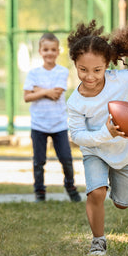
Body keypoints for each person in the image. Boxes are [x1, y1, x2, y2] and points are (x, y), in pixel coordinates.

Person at [67, 20, 128, 256]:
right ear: (75, 65)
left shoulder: (119, 79)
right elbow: (78, 136)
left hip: (122, 153)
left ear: (107, 65)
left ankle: (114, 188)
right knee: (96, 192)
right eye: (82, 69)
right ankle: (98, 240)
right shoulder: (75, 102)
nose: (90, 76)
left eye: (97, 70)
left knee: (122, 203)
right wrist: (105, 133)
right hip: (95, 151)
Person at [23, 32, 81, 203]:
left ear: (58, 51)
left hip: (59, 125)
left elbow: (56, 93)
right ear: (40, 51)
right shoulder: (33, 73)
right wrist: (45, 91)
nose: (49, 53)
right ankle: (39, 193)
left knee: (66, 159)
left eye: (53, 49)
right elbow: (27, 96)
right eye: (46, 49)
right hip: (38, 124)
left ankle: (70, 187)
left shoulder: (62, 71)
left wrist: (38, 90)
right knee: (39, 161)